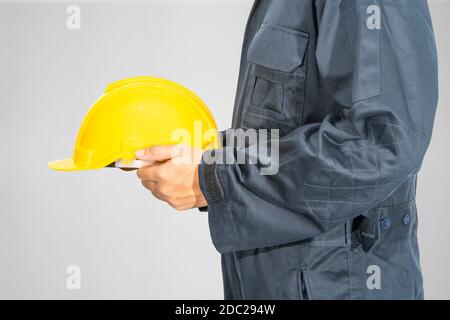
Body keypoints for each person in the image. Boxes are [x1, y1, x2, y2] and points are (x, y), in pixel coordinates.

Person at [134, 0, 438, 299]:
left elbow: (382, 145)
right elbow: (288, 126)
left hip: (340, 283)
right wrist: (209, 156)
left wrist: (217, 180)